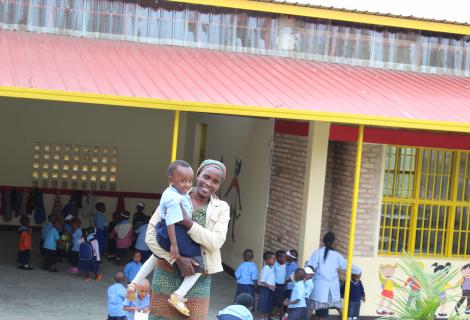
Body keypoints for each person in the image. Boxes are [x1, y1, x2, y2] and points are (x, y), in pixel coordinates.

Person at [130, 159, 230, 320]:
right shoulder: (174, 194)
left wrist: (187, 223)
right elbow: (151, 236)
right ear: (198, 175)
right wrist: (177, 259)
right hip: (165, 273)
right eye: (206, 177)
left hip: (198, 279)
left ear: (219, 185)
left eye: (216, 181)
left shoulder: (222, 208)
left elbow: (216, 242)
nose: (209, 183)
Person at [155, 160, 202, 316]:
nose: (188, 185)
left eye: (190, 181)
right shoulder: (174, 199)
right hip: (172, 232)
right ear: (171, 180)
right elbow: (170, 222)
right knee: (199, 263)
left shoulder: (176, 192)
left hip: (173, 231)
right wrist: (174, 246)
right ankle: (178, 295)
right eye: (183, 181)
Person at [307, 232, 358, 319]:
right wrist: (358, 271)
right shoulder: (336, 255)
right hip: (332, 288)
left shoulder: (317, 253)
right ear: (334, 242)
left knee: (311, 307)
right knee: (339, 307)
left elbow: (309, 267)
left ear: (323, 242)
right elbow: (347, 265)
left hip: (320, 287)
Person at [259, 251, 276, 320]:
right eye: (273, 259)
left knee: (268, 303)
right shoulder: (266, 268)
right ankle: (262, 318)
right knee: (264, 303)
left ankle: (266, 317)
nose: (275, 261)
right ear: (268, 260)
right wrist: (270, 286)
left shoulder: (271, 268)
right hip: (265, 289)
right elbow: (262, 281)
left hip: (270, 289)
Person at [283, 250, 298, 319]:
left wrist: (286, 281)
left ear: (291, 257)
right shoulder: (287, 264)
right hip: (286, 286)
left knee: (288, 300)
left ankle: (286, 315)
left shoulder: (294, 265)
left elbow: (294, 276)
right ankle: (284, 314)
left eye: (287, 255)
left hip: (290, 287)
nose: (286, 256)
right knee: (285, 300)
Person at [273, 250, 288, 317]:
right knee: (276, 301)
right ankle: (273, 314)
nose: (285, 259)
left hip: (284, 286)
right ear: (278, 258)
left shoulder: (287, 265)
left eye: (286, 257)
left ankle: (281, 315)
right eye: (284, 257)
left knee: (282, 301)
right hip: (276, 285)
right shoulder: (275, 265)